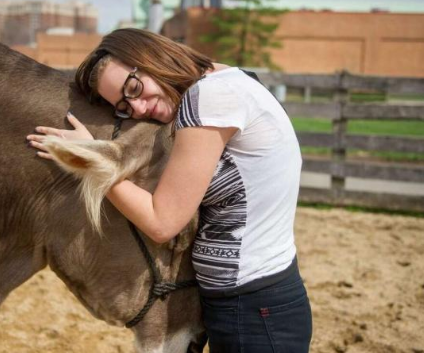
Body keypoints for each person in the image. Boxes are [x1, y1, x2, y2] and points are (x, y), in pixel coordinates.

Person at [27, 28, 312, 352]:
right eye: (124, 106)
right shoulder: (228, 82)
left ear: (150, 56)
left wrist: (91, 162)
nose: (139, 108)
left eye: (134, 88)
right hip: (252, 302)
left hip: (254, 308)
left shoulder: (209, 98)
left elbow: (162, 222)